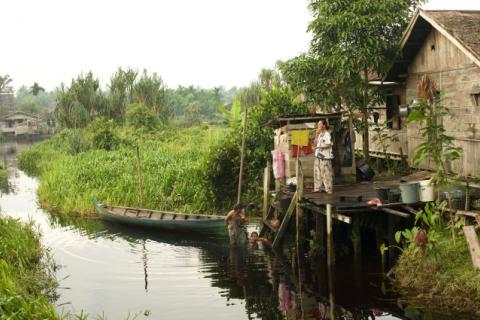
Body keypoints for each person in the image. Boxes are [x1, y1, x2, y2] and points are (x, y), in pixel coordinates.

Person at [314, 119, 333, 194]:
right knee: (317, 173)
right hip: (318, 156)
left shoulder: (327, 134)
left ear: (324, 126)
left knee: (326, 173)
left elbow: (329, 145)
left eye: (319, 124)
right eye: (318, 124)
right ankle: (318, 188)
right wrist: (316, 134)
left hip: (325, 157)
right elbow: (315, 143)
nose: (318, 126)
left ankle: (328, 189)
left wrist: (319, 147)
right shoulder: (320, 134)